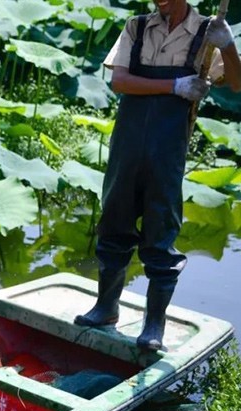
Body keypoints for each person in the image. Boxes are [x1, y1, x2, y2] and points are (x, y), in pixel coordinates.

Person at [75, 0, 240, 351]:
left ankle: (154, 324)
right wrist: (175, 86)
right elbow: (120, 81)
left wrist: (227, 46)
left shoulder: (205, 33)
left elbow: (237, 84)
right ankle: (106, 307)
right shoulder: (136, 27)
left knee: (161, 228)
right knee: (114, 222)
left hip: (167, 148)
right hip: (127, 143)